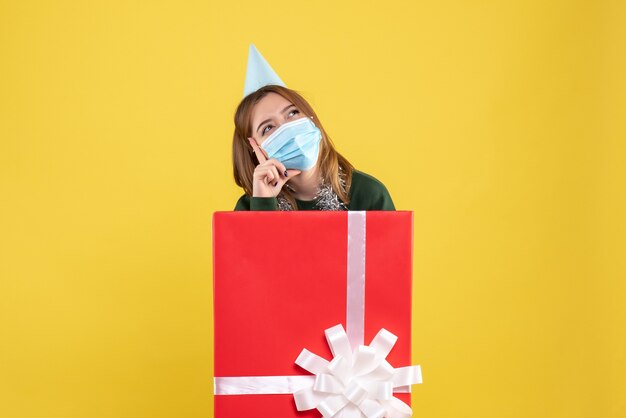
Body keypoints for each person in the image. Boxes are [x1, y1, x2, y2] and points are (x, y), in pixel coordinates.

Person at [232, 45, 395, 211]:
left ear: (311, 118)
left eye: (293, 113)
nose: (287, 128)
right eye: (268, 128)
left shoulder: (368, 195)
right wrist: (263, 205)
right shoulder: (248, 208)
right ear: (254, 147)